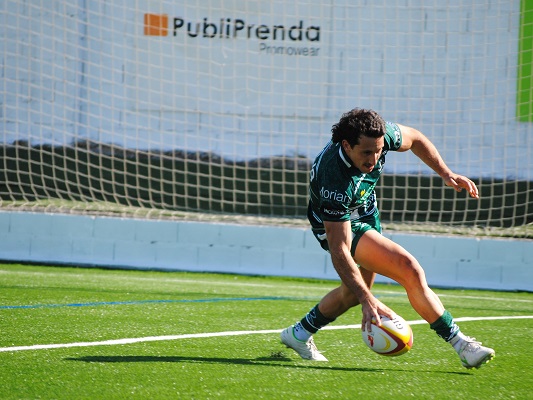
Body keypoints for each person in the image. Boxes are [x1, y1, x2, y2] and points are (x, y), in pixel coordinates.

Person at [280, 108, 495, 369]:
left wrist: (445, 173)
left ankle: (299, 333)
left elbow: (414, 138)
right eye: (366, 153)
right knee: (408, 269)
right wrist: (368, 302)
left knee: (351, 293)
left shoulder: (379, 136)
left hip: (366, 212)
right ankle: (461, 345)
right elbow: (339, 250)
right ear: (347, 146)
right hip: (336, 223)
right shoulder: (334, 179)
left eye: (379, 151)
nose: (374, 159)